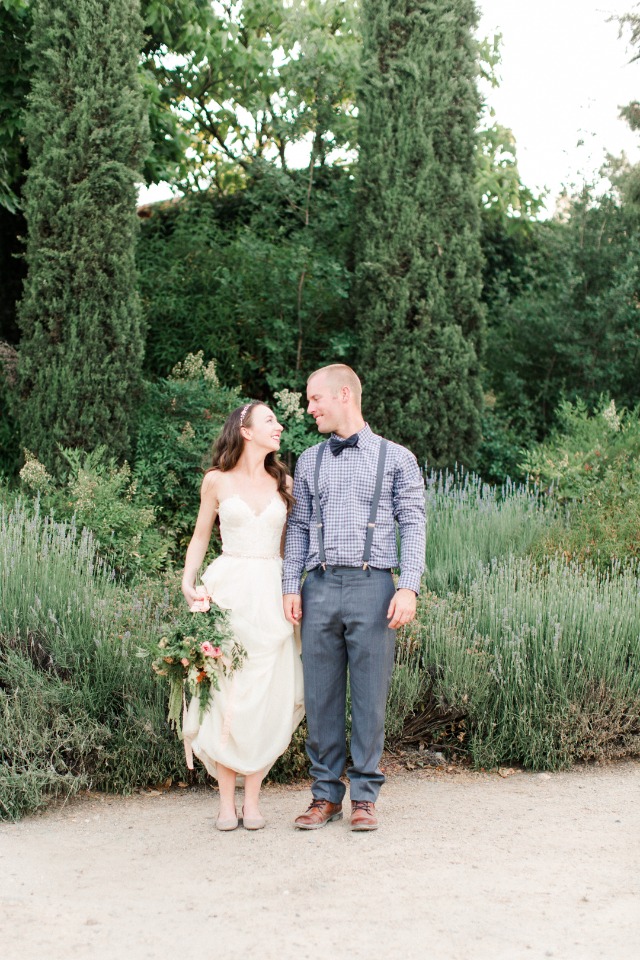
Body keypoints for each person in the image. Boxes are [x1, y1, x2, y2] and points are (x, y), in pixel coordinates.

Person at [283, 364, 426, 832]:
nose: (310, 408)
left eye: (314, 399)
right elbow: (299, 528)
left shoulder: (398, 458)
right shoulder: (309, 460)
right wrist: (291, 585)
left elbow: (414, 523)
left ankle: (364, 797)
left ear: (343, 395)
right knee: (321, 697)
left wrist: (409, 584)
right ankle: (324, 795)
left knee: (369, 698)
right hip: (319, 586)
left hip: (375, 587)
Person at [181, 402, 304, 832]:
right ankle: (225, 804)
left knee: (265, 697)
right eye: (271, 420)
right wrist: (187, 580)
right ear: (246, 431)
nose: (280, 426)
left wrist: (296, 591)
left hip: (271, 594)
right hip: (228, 589)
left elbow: (294, 547)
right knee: (224, 692)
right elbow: (200, 536)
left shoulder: (283, 480)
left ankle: (252, 800)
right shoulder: (216, 480)